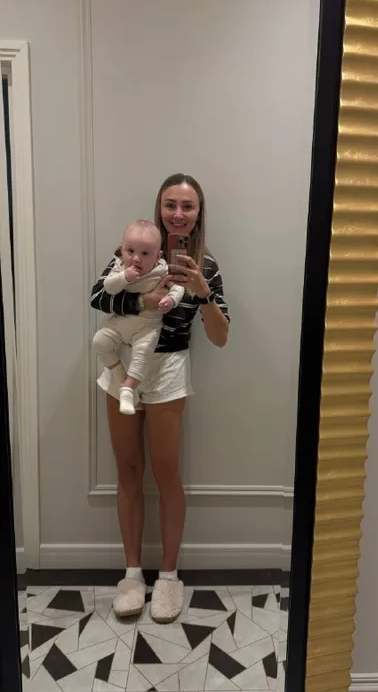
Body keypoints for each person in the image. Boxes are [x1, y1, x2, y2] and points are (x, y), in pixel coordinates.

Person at [90, 173, 230, 623]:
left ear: (198, 213)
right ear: (159, 207)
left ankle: (168, 576)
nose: (178, 214)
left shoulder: (205, 265)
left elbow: (221, 336)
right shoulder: (134, 250)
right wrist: (144, 302)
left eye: (187, 206)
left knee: (167, 472)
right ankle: (133, 574)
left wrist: (203, 293)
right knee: (128, 469)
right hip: (123, 364)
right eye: (170, 204)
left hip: (168, 370)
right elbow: (98, 297)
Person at [92, 220, 184, 415]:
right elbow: (105, 290)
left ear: (158, 256)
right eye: (130, 251)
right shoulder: (119, 266)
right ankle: (120, 378)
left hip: (147, 327)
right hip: (120, 324)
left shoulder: (162, 270)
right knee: (99, 342)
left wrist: (171, 300)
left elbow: (178, 287)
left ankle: (128, 389)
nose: (136, 259)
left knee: (142, 354)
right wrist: (125, 278)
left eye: (145, 254)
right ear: (121, 250)